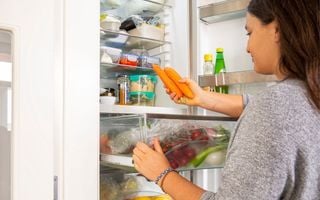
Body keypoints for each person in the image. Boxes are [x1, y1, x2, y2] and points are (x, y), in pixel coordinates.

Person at [132, 0, 320, 199]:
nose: (247, 47)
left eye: (249, 32)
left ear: (276, 30)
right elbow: (259, 106)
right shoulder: (308, 94)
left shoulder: (274, 105)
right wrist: (203, 98)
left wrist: (163, 175)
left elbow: (269, 108)